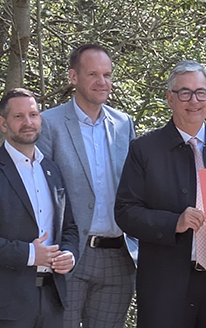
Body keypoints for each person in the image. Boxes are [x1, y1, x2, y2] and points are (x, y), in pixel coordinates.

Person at [115, 60, 206, 328]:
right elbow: (125, 212)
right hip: (167, 285)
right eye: (184, 93)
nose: (194, 101)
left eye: (201, 92)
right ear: (170, 98)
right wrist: (173, 223)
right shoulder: (145, 149)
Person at [0, 88, 78, 327]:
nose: (28, 122)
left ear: (40, 119)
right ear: (3, 123)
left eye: (33, 115)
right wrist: (29, 254)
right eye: (18, 116)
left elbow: (70, 227)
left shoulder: (52, 170)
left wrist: (70, 254)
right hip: (4, 304)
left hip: (53, 299)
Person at [36, 44, 137, 328]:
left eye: (107, 74)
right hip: (69, 253)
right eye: (93, 74)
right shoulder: (49, 123)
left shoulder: (123, 123)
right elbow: (40, 192)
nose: (102, 82)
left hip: (118, 255)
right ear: (73, 77)